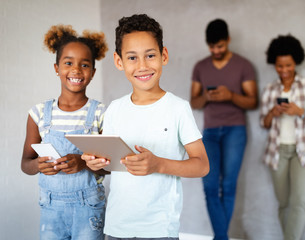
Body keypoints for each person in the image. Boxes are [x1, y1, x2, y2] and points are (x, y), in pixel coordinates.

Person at [82, 14, 209, 240]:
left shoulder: (178, 108)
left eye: (150, 55)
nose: (142, 66)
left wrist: (158, 164)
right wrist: (96, 163)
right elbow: (109, 166)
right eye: (132, 58)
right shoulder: (114, 109)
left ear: (164, 56)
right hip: (116, 227)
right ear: (119, 61)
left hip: (159, 230)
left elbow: (201, 166)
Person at [21, 24, 109, 239]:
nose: (76, 70)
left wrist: (84, 162)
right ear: (57, 68)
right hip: (51, 209)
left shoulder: (101, 113)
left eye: (84, 64)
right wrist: (38, 165)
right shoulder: (38, 113)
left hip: (89, 208)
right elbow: (26, 164)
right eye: (68, 63)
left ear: (93, 72)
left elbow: (109, 168)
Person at [190, 19, 258, 240]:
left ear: (228, 40)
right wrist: (206, 97)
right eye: (211, 47)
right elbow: (194, 103)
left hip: (235, 131)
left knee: (228, 185)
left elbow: (253, 102)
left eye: (219, 46)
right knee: (209, 185)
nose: (215, 51)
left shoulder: (244, 65)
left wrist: (231, 96)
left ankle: (219, 237)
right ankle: (222, 237)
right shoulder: (200, 67)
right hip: (209, 132)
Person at [260, 34, 305, 240]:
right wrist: (273, 113)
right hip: (277, 151)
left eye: (288, 65)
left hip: (304, 151)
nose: (284, 70)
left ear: (296, 62)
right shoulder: (270, 90)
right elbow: (264, 123)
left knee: (299, 202)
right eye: (280, 66)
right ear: (274, 64)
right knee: (284, 204)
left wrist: (300, 111)